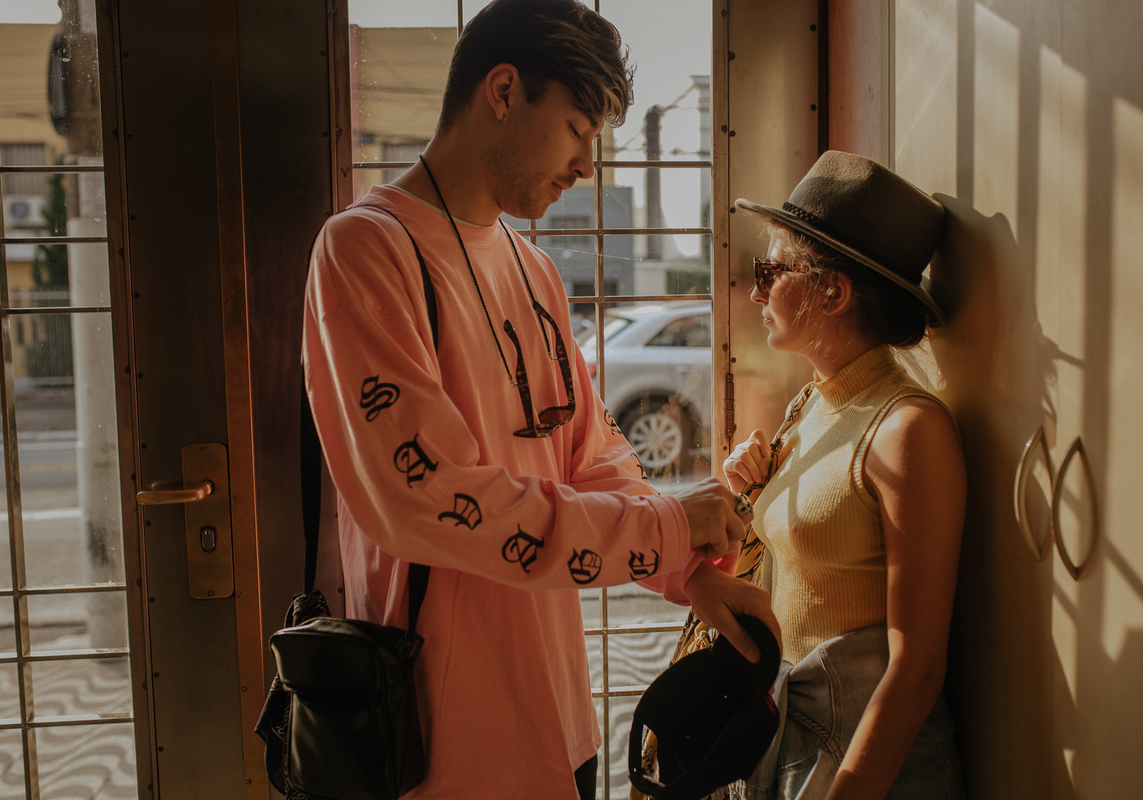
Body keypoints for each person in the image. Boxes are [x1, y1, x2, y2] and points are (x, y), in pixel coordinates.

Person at [301, 1, 776, 798]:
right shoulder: (364, 248)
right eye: (579, 130)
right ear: (503, 89)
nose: (587, 164)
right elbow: (426, 496)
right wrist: (662, 526)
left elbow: (592, 456)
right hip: (439, 734)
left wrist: (688, 571)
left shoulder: (534, 269)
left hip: (560, 718)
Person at [721, 151, 967, 799]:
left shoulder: (907, 429)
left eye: (770, 271)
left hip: (874, 768)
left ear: (833, 291)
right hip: (800, 747)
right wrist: (749, 485)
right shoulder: (813, 404)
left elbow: (918, 667)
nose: (756, 292)